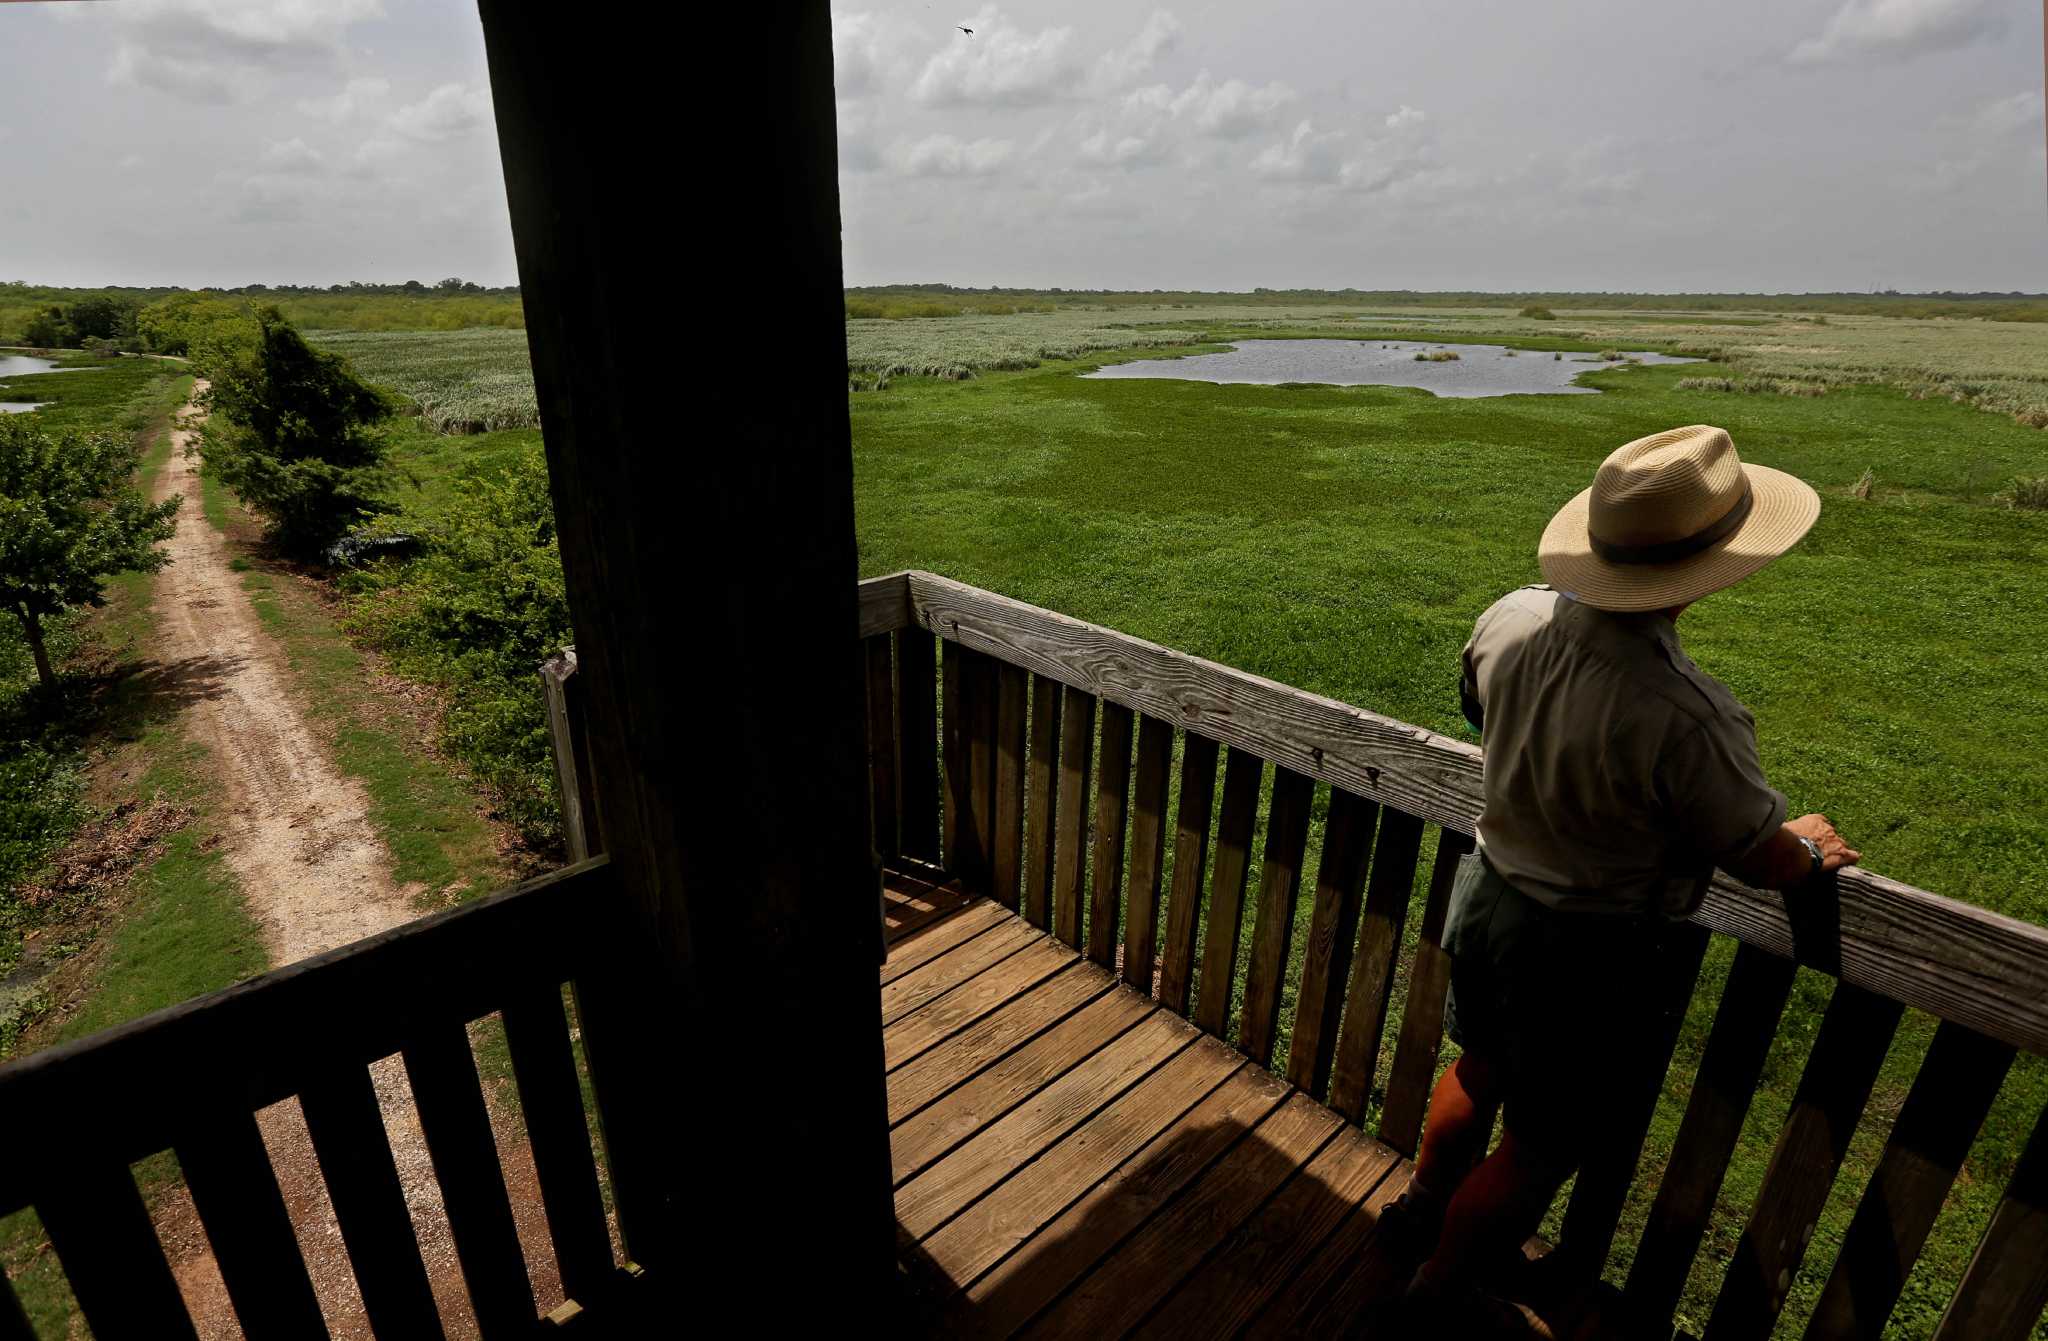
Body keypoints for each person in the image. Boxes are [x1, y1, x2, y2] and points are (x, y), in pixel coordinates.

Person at [1384, 424, 1862, 1334]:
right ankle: (1435, 1289)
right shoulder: (1687, 713)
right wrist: (1804, 847)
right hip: (1581, 948)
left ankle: (1415, 1214)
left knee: (1476, 1069)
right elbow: (1758, 855)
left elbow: (1478, 708)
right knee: (1534, 1148)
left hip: (1485, 894)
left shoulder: (1510, 618)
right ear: (1712, 565)